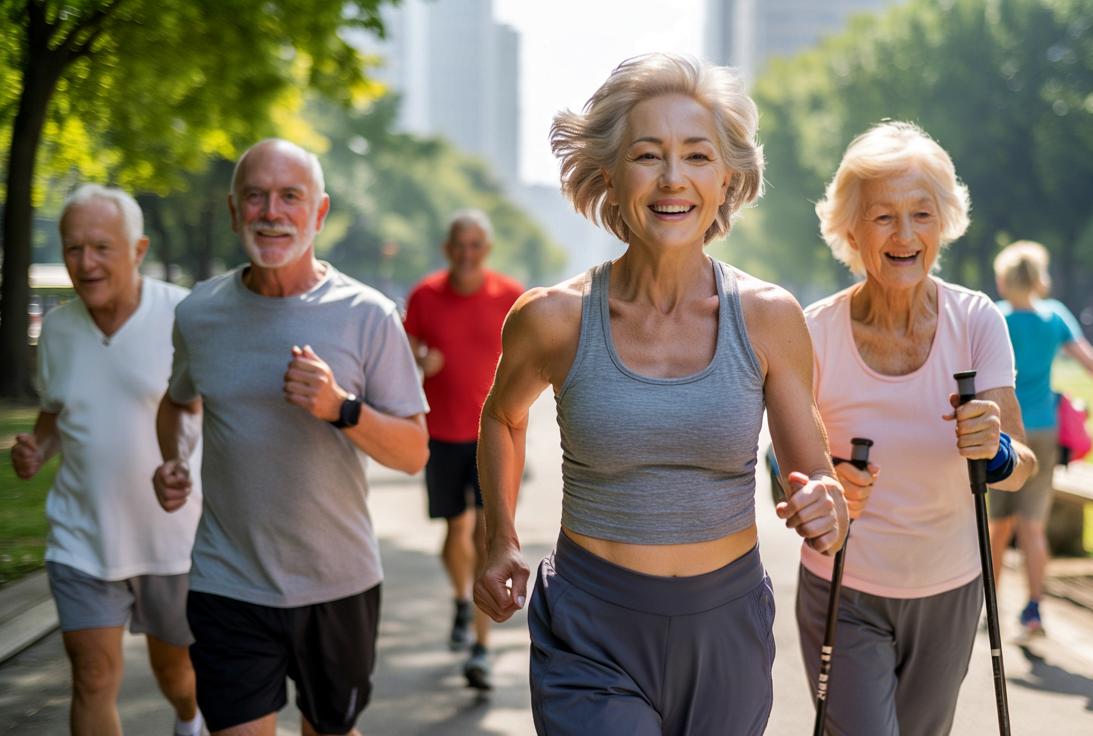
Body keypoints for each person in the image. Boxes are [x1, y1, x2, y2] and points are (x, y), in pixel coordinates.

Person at [473, 54, 852, 735]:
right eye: (648, 155)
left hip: (727, 626)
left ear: (726, 178)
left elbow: (812, 472)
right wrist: (497, 538)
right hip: (591, 629)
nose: (673, 178)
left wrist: (828, 502)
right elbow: (501, 416)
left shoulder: (770, 317)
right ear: (610, 176)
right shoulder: (553, 319)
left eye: (697, 156)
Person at [153, 139, 429, 736]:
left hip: (337, 581)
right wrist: (174, 458)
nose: (271, 212)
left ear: (319, 212)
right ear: (235, 211)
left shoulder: (368, 314)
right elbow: (177, 403)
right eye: (255, 197)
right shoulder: (199, 314)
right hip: (227, 581)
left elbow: (413, 452)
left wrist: (340, 407)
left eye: (290, 197)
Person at [797, 121, 1037, 735]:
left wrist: (996, 451)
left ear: (944, 222)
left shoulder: (976, 321)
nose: (905, 236)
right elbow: (783, 461)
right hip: (844, 586)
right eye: (884, 217)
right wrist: (823, 485)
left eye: (922, 215)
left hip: (950, 587)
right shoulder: (814, 332)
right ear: (851, 230)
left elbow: (1022, 466)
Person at [11, 184, 204, 736]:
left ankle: (190, 721)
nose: (85, 262)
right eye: (73, 248)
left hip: (174, 542)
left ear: (138, 250)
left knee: (178, 675)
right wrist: (37, 449)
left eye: (101, 247)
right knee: (92, 677)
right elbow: (56, 412)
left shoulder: (185, 314)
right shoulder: (57, 329)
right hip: (83, 538)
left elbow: (204, 410)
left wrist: (181, 465)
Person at [403, 208, 523, 689]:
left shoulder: (510, 296)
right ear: (447, 249)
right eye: (459, 245)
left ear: (486, 249)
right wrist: (419, 359)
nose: (467, 254)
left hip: (492, 434)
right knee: (455, 530)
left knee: (485, 536)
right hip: (441, 432)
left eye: (475, 245)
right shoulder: (425, 295)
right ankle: (460, 599)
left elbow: (531, 355)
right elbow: (402, 351)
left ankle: (481, 647)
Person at [988, 240, 1093, 637]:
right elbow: (1091, 363)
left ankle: (991, 607)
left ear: (1003, 281)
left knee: (998, 526)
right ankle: (1034, 608)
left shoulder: (997, 317)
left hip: (1004, 432)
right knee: (1032, 527)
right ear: (1040, 279)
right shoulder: (1056, 316)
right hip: (1044, 431)